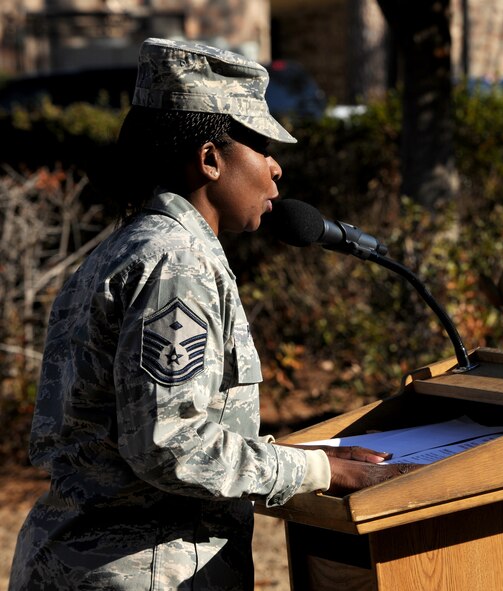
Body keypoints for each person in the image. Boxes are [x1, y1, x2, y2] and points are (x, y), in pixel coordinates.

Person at [9, 37, 411, 590]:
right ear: (209, 158)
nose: (276, 169)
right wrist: (320, 470)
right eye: (262, 146)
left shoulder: (130, 246)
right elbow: (170, 444)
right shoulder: (176, 262)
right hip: (147, 571)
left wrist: (287, 455)